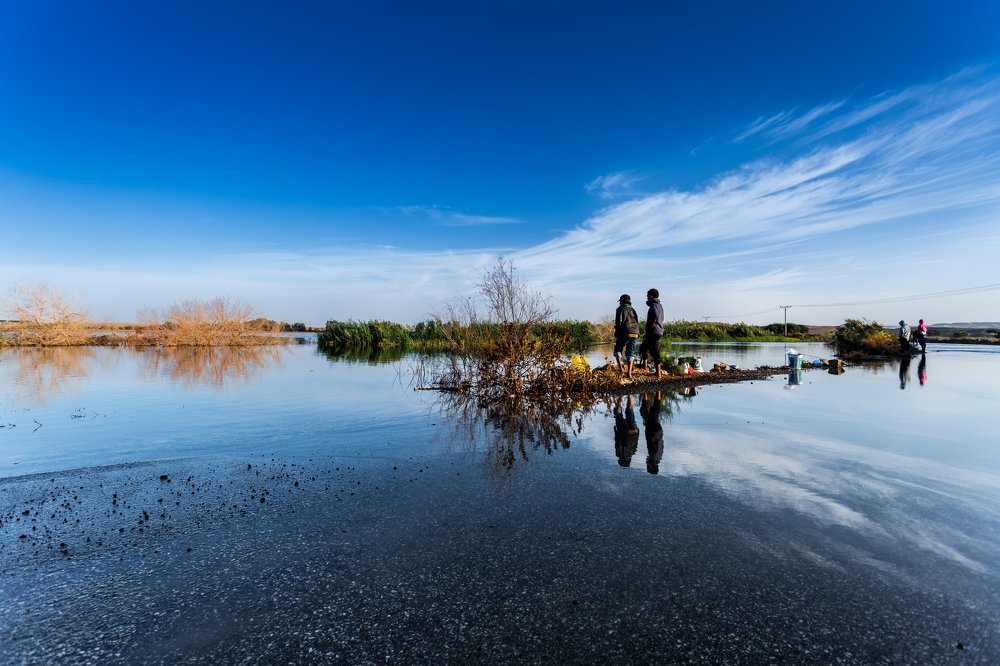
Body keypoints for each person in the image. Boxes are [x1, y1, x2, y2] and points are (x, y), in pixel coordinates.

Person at [638, 288, 665, 378]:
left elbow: (656, 315)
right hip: (655, 331)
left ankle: (658, 374)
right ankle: (645, 367)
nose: (647, 297)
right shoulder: (659, 305)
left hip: (654, 331)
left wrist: (653, 324)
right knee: (644, 347)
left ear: (651, 296)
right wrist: (647, 332)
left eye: (647, 296)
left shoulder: (654, 305)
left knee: (654, 351)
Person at [613, 294, 640, 379]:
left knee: (617, 349)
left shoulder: (620, 309)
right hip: (635, 332)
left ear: (621, 301)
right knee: (630, 352)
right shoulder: (633, 309)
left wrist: (617, 332)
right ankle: (629, 374)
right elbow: (637, 320)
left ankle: (621, 369)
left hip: (626, 331)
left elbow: (618, 322)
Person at [640, 392, 664, 475]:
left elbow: (662, 445)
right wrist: (649, 433)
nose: (647, 465)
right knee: (646, 412)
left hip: (658, 431)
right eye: (648, 467)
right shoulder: (653, 458)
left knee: (652, 413)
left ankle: (657, 390)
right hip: (653, 432)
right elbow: (654, 447)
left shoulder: (659, 458)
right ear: (652, 467)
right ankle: (646, 391)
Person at [612, 395, 640, 468]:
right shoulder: (619, 454)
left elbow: (636, 442)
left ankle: (629, 394)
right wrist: (616, 431)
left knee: (630, 411)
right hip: (626, 433)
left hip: (635, 432)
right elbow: (617, 442)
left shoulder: (632, 452)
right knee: (618, 416)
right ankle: (619, 396)